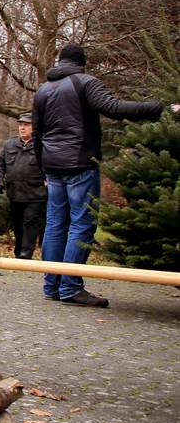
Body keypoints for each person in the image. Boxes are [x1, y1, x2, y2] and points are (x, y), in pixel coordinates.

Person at [33, 43, 179, 307]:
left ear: (60, 61)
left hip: (52, 165)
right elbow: (113, 107)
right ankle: (70, 287)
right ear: (82, 63)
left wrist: (42, 166)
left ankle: (52, 285)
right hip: (79, 162)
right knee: (81, 223)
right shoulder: (85, 82)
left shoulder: (43, 89)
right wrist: (162, 108)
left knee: (55, 224)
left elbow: (37, 132)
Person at [0, 113, 46, 259]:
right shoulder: (9, 144)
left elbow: (50, 166)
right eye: (21, 124)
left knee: (30, 221)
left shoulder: (42, 145)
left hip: (36, 193)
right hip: (15, 193)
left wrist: (49, 181)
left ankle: (26, 253)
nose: (22, 127)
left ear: (34, 127)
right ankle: (19, 251)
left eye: (26, 125)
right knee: (17, 224)